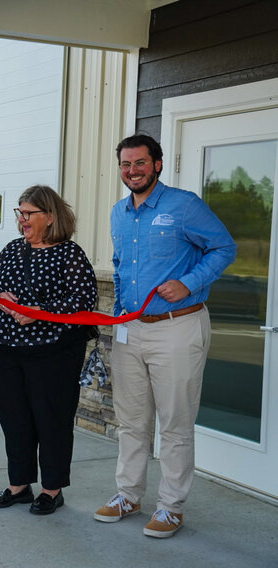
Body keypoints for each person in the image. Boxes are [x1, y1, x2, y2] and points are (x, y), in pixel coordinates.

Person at [95, 134, 236, 537]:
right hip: (129, 330)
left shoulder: (185, 205)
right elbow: (122, 264)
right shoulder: (118, 213)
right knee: (131, 421)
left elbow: (224, 248)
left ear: (157, 164)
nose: (132, 171)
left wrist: (189, 283)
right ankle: (128, 495)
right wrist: (120, 314)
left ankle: (171, 507)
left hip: (178, 326)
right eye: (125, 164)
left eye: (140, 163)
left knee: (174, 422)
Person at [0, 185, 98, 516]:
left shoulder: (70, 254)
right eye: (19, 212)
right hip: (7, 349)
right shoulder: (10, 250)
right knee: (14, 419)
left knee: (51, 420)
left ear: (49, 217)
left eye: (29, 213)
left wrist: (35, 310)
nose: (22, 219)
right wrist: (3, 301)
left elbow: (83, 300)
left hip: (54, 352)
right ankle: (19, 485)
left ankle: (51, 489)